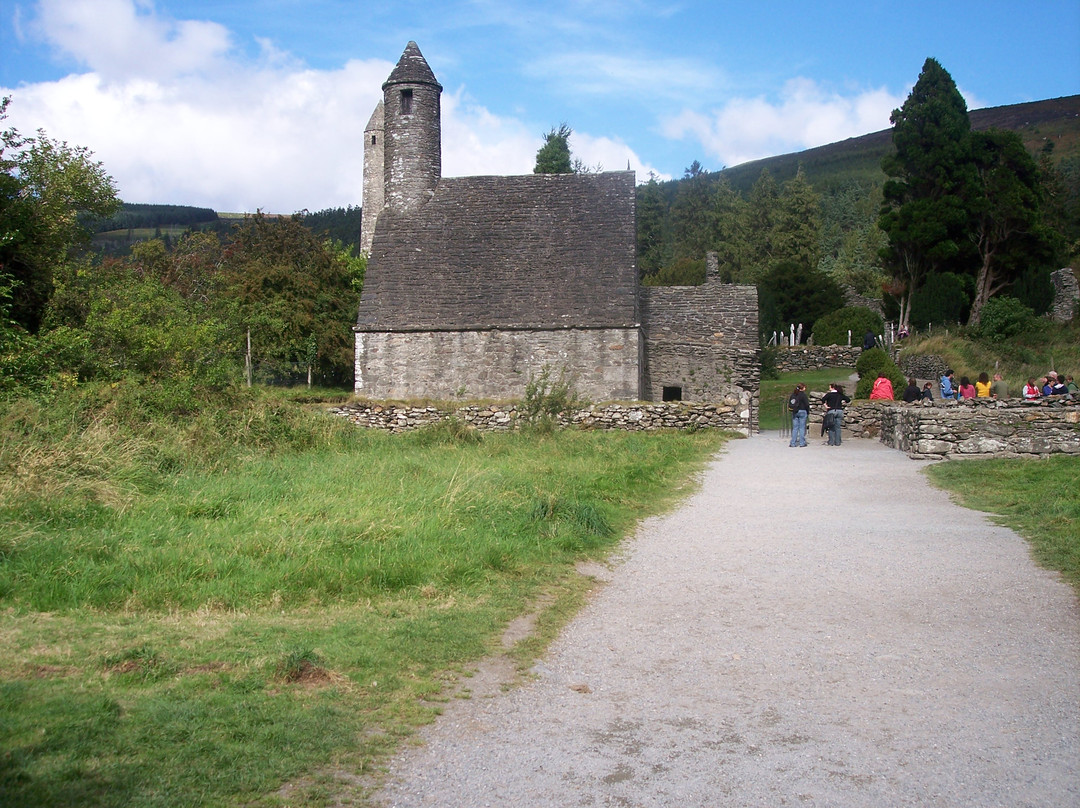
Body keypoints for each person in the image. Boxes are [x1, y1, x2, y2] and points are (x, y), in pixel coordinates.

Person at [788, 383, 810, 447]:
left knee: (795, 428)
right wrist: (808, 412)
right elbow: (806, 404)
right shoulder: (803, 395)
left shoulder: (794, 394)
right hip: (802, 411)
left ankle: (793, 443)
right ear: (802, 388)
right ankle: (802, 443)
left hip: (795, 411)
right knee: (802, 428)